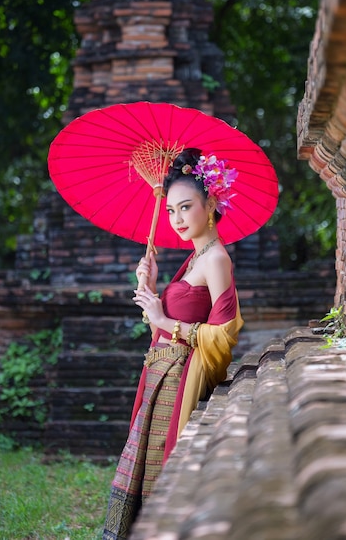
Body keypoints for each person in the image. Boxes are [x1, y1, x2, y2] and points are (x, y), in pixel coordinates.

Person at [103, 148, 244, 540]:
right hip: (159, 376)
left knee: (163, 479)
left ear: (211, 203)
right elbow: (163, 329)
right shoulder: (193, 257)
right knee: (147, 472)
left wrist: (166, 319)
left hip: (181, 381)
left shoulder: (215, 259)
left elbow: (225, 332)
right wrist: (149, 287)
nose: (176, 219)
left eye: (185, 208)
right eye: (170, 211)